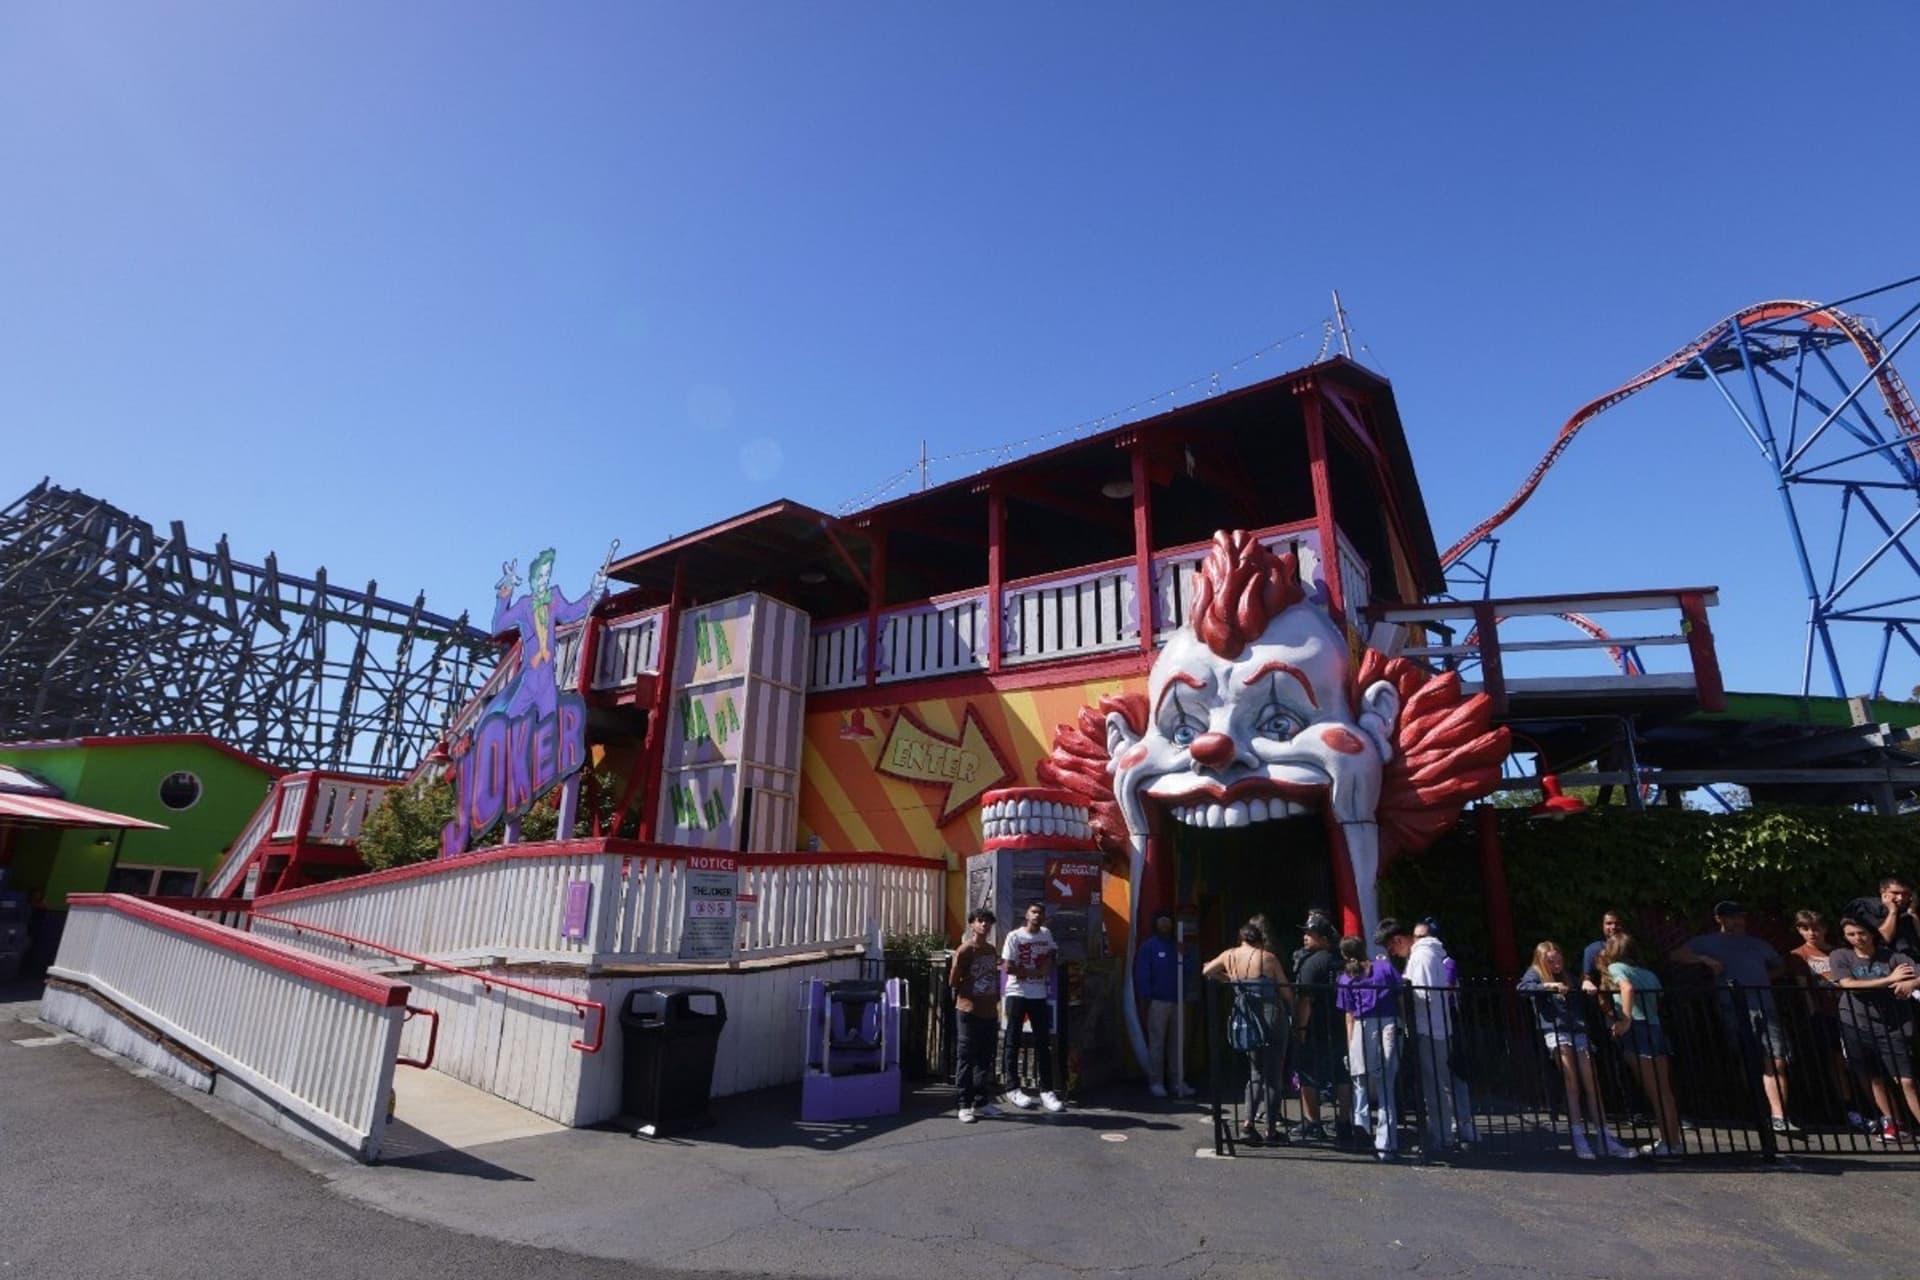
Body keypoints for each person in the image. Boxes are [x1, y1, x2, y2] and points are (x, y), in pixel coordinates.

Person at [1669, 901, 1799, 1136]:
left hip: (1765, 1005)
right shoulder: (1708, 941)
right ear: (1719, 919)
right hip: (1733, 1007)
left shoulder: (1758, 944)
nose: (1738, 922)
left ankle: (1779, 1115)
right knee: (1744, 1057)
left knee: (1776, 1058)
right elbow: (1677, 954)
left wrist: (1762, 979)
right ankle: (1752, 1108)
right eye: (1732, 918)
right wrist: (1704, 960)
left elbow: (1779, 967)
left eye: (1740, 917)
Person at [1517, 941, 1635, 1160]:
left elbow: (1583, 991)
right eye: (1550, 961)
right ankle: (1578, 1135)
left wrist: (1586, 987)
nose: (1556, 964)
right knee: (1572, 1083)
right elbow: (1522, 989)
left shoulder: (1568, 976)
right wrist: (1549, 987)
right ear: (1542, 961)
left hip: (1577, 1030)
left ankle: (1604, 1136)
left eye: (1558, 959)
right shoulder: (1536, 974)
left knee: (1592, 1082)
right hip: (1556, 1031)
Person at [1829, 914, 1920, 1143]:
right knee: (1872, 1076)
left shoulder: (1891, 956)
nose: (1857, 938)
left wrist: (1911, 982)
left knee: (1905, 1079)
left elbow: (1916, 972)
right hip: (1856, 1022)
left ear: (1871, 934)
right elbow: (1848, 984)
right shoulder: (1841, 956)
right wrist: (1889, 980)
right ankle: (1892, 1123)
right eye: (1851, 934)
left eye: (1861, 933)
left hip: (1892, 1025)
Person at [1600, 932, 1683, 1158]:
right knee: (1664, 1090)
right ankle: (1672, 1140)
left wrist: (1625, 1019)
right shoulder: (1648, 974)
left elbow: (1626, 988)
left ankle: (1668, 1143)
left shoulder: (1617, 968)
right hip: (1655, 1026)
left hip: (1637, 1028)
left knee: (1653, 1090)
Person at [1204, 921, 1288, 1144]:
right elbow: (1285, 989)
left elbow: (1207, 970)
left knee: (1255, 1073)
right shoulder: (1267, 958)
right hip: (1270, 1015)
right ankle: (1271, 1129)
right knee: (1273, 1076)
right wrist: (1295, 1013)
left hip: (1246, 1016)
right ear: (1260, 939)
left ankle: (1248, 1124)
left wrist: (1231, 980)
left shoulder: (1230, 955)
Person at [1787, 909, 1870, 1131]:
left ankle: (1873, 1106)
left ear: (1824, 928)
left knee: (1861, 1059)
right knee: (1837, 1061)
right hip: (1826, 1012)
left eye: (1815, 928)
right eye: (1805, 929)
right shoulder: (1799, 954)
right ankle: (1849, 1107)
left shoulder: (1839, 952)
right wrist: (1813, 1011)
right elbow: (1803, 986)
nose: (1811, 933)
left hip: (1851, 1009)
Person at [1338, 922, 1408, 1161]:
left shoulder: (1346, 978)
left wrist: (1350, 1043)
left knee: (1359, 1083)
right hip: (1388, 1023)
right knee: (1386, 1083)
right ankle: (1386, 1143)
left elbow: (1348, 1014)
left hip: (1360, 1026)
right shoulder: (1384, 968)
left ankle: (1362, 1134)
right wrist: (1404, 1023)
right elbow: (1400, 996)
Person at [1405, 919, 1476, 1152]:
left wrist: (1405, 993)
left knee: (1442, 1081)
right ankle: (1449, 1128)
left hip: (1436, 1025)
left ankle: (1452, 1130)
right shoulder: (1436, 957)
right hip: (1441, 1024)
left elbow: (1428, 994)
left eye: (1419, 936)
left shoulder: (1429, 958)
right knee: (1442, 1080)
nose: (1416, 940)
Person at [1288, 913, 1352, 1143]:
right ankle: (1344, 1122)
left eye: (1310, 934)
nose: (1305, 937)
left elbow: (1305, 1000)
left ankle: (1312, 1122)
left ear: (1323, 938)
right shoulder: (1343, 961)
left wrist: (1300, 1029)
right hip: (1342, 1026)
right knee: (1343, 1075)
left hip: (1316, 1028)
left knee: (1307, 1075)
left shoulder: (1312, 963)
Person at [1000, 902, 1065, 1113]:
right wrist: (1036, 973)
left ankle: (1046, 1090)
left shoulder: (1046, 934)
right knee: (1013, 1040)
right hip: (1016, 994)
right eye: (1034, 912)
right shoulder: (1014, 936)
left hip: (1039, 995)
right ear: (1026, 915)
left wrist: (1049, 961)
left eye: (1041, 913)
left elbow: (1053, 953)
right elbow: (1007, 967)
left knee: (1043, 1042)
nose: (1037, 916)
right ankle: (1012, 1087)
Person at [948, 908, 1003, 1124]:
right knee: (966, 1058)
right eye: (980, 921)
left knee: (985, 1057)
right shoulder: (964, 950)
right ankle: (964, 1104)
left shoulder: (990, 950)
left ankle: (982, 1101)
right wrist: (967, 996)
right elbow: (953, 981)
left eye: (988, 922)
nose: (984, 925)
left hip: (989, 1011)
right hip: (968, 1011)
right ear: (972, 924)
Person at [1133, 909, 1194, 1098]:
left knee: (1177, 1043)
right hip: (1158, 1002)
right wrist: (1146, 997)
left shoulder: (1178, 946)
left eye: (1168, 921)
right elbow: (1142, 973)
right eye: (1162, 921)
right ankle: (1156, 1082)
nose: (1165, 924)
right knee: (1157, 1043)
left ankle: (1177, 1082)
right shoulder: (1149, 946)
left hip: (1178, 1001)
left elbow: (1189, 971)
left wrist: (1185, 956)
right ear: (1156, 924)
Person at [1875, 876, 1920, 962]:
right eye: (1895, 893)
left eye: (1905, 894)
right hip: (1890, 964)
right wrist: (1893, 912)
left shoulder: (1908, 913)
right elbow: (1885, 938)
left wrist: (1912, 911)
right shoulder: (1872, 909)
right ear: (1883, 892)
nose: (1901, 898)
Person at [1581, 910, 1625, 987]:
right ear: (1602, 926)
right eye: (1609, 923)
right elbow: (1587, 976)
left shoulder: (1628, 947)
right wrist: (1587, 982)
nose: (1613, 927)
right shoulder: (1593, 949)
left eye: (1617, 924)